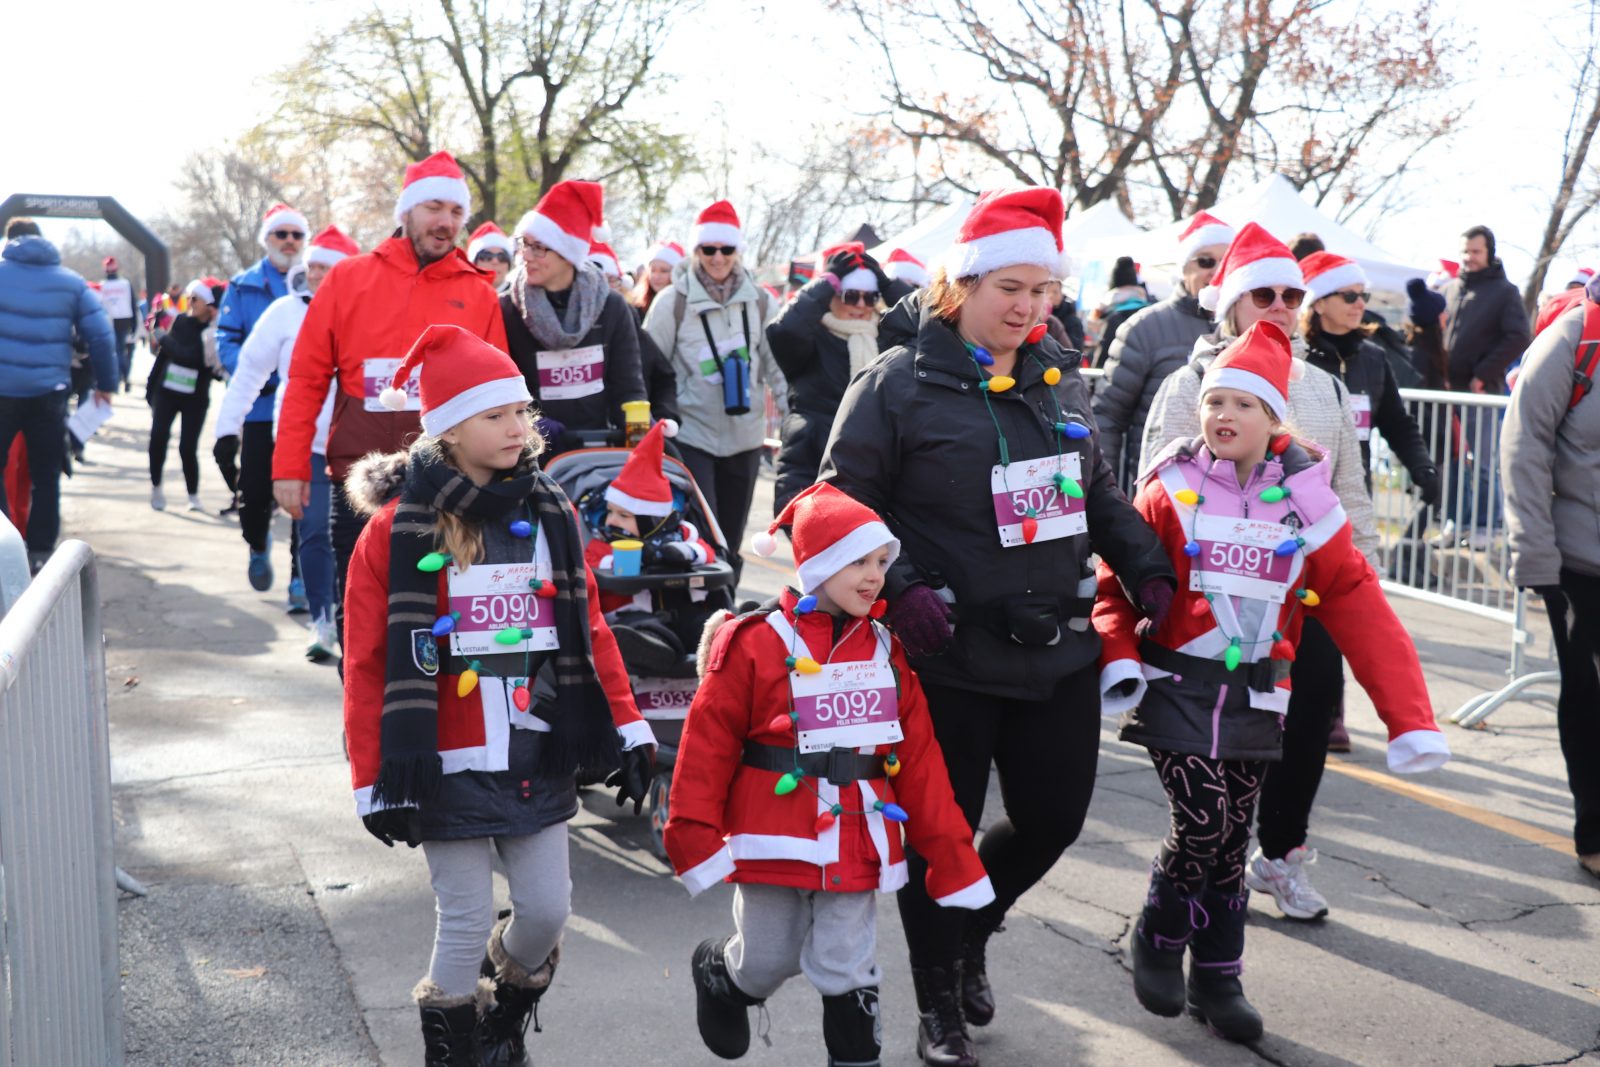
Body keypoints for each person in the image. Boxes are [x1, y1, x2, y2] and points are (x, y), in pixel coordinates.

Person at [820, 188, 1174, 1067]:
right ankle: (937, 1001)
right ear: (960, 286)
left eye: (1042, 290)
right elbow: (835, 499)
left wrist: (1150, 567)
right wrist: (899, 586)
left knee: (1052, 819)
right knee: (938, 834)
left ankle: (971, 931)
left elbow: (1091, 490)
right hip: (943, 655)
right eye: (1008, 287)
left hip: (1054, 645)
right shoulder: (896, 384)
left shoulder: (1060, 375)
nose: (1027, 307)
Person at [1096, 319, 1449, 1044]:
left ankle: (1218, 974)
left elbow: (1356, 601)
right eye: (1214, 400)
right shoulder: (1170, 487)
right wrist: (1118, 656)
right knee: (1203, 823)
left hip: (1260, 696)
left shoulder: (1307, 503)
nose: (1223, 414)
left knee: (1230, 845)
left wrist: (1409, 718)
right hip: (1176, 688)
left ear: (1273, 417)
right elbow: (1115, 581)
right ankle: (1159, 935)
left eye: (1242, 404)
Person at [340, 324, 654, 1064]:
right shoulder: (392, 531)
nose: (521, 427)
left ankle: (500, 1018)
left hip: (536, 748)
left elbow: (593, 632)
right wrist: (370, 783)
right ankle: (454, 1053)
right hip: (440, 760)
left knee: (546, 910)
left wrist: (632, 727)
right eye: (498, 414)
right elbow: (367, 664)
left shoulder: (553, 513)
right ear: (449, 429)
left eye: (523, 411)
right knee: (463, 913)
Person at [665, 482, 993, 1067]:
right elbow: (706, 745)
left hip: (860, 835)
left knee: (846, 963)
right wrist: (692, 833)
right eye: (856, 562)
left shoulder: (887, 650)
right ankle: (721, 976)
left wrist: (952, 853)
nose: (873, 576)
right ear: (816, 565)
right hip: (771, 830)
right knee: (766, 960)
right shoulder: (752, 642)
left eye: (879, 562)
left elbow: (917, 760)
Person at [1139, 223, 1381, 924]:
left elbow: (1352, 489)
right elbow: (1155, 486)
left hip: (1307, 588)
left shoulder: (1326, 387)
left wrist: (1357, 575)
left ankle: (1281, 855)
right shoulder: (1193, 383)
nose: (1280, 303)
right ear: (1231, 303)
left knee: (1307, 724)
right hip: (1217, 596)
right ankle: (1203, 870)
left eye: (1291, 292)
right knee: (1226, 753)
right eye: (1263, 292)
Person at [272, 150, 508, 635]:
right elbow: (306, 380)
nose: (446, 222)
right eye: (434, 208)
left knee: (446, 625)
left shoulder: (478, 291)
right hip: (361, 481)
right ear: (407, 210)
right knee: (364, 622)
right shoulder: (348, 279)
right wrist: (290, 468)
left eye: (457, 213)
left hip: (452, 482)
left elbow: (500, 396)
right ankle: (362, 710)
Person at [216, 226, 359, 661]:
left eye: (325, 267)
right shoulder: (283, 311)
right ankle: (321, 621)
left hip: (359, 447)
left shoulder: (364, 311)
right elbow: (248, 373)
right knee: (314, 530)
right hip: (306, 444)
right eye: (311, 266)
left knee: (355, 541)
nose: (315, 274)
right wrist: (226, 428)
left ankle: (354, 619)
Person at [1501, 283, 1600, 881]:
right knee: (1591, 695)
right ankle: (1595, 830)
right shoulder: (1575, 337)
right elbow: (1523, 448)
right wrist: (1534, 556)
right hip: (1580, 560)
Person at [642, 201, 780, 583]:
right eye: (708, 249)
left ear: (738, 251)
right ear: (696, 251)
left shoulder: (762, 301)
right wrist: (655, 426)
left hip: (746, 436)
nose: (718, 258)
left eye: (726, 249)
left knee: (731, 538)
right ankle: (702, 619)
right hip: (692, 435)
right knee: (703, 534)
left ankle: (727, 617)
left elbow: (777, 367)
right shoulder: (673, 301)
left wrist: (794, 424)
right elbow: (650, 367)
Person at [0, 218, 117, 571]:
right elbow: (100, 336)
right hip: (49, 393)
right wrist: (108, 385)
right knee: (46, 474)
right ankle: (39, 552)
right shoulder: (71, 281)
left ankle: (3, 547)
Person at [500, 180, 646, 455]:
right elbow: (502, 387)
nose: (526, 256)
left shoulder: (612, 306)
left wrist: (636, 426)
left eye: (539, 248)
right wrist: (530, 421)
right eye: (524, 244)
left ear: (568, 254)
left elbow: (628, 383)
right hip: (530, 450)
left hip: (599, 447)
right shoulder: (508, 309)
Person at [1094, 211, 1231, 488]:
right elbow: (1107, 419)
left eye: (1226, 261)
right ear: (1184, 268)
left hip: (1230, 501)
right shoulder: (1144, 327)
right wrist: (1108, 497)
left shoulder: (1247, 328)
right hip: (1157, 492)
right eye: (1205, 261)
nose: (1216, 272)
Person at [217, 202, 308, 596]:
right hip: (258, 408)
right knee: (254, 493)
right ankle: (257, 544)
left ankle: (301, 576)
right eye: (281, 234)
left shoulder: (318, 282)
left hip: (305, 410)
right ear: (266, 239)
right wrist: (264, 373)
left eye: (296, 235)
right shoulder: (242, 285)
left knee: (306, 495)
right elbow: (226, 340)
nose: (289, 242)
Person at [767, 241, 890, 512]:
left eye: (870, 297)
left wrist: (890, 286)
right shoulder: (812, 336)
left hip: (868, 470)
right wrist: (825, 282)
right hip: (811, 466)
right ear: (831, 294)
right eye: (850, 295)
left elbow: (924, 329)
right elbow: (784, 331)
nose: (860, 304)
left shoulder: (884, 337)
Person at [1438, 224, 1529, 548]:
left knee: (1484, 463)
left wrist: (1483, 373)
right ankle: (1455, 522)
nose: (1469, 258)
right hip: (1446, 391)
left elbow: (1518, 336)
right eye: (1465, 251)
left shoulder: (1505, 292)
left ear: (1489, 253)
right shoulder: (1449, 290)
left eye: (1476, 251)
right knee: (1452, 461)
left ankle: (1486, 527)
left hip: (1481, 391)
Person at [147, 279, 224, 511]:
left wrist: (163, 338)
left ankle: (193, 495)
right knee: (158, 439)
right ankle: (157, 486)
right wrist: (151, 388)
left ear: (208, 304)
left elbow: (193, 357)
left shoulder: (212, 332)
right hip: (167, 393)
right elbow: (164, 357)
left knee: (187, 447)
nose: (189, 303)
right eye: (188, 297)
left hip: (195, 398)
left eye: (195, 299)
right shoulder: (180, 321)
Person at [1091, 256, 1152, 366]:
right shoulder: (1149, 310)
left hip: (1116, 371)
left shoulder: (1108, 310)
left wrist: (1093, 379)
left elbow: (1104, 352)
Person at [99, 256, 138, 391]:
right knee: (121, 350)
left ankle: (116, 379)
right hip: (124, 319)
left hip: (108, 320)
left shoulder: (102, 285)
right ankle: (125, 377)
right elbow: (133, 304)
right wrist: (134, 324)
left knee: (114, 351)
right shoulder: (125, 284)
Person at [628, 240, 684, 316]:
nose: (657, 276)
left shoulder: (685, 306)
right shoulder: (637, 306)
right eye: (653, 270)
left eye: (664, 271)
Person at [466, 222, 515, 292]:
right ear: (473, 264)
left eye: (502, 257)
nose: (495, 261)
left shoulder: (521, 298)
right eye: (487, 256)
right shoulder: (461, 295)